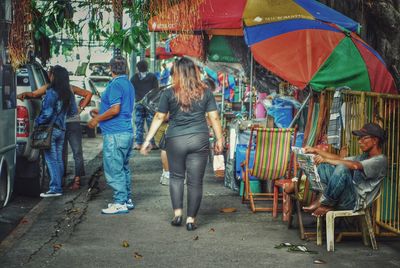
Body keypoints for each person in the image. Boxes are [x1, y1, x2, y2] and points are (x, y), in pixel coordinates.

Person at [140, 57, 224, 231]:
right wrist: (220, 138)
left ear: (176, 73)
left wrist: (148, 140)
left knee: (177, 177)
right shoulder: (206, 92)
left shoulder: (169, 93)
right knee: (195, 182)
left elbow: (159, 117)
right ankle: (191, 219)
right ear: (195, 72)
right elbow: (214, 117)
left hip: (176, 140)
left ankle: (178, 214)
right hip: (199, 139)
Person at [17, 71, 93, 191]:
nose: (49, 76)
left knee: (70, 153)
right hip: (63, 124)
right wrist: (24, 94)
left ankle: (73, 181)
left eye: (51, 74)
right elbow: (33, 94)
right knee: (64, 154)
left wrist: (80, 108)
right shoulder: (53, 88)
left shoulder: (62, 88)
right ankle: (60, 182)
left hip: (67, 123)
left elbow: (88, 94)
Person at [302, 122, 387, 216]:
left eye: (363, 138)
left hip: (354, 202)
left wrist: (326, 159)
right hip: (345, 196)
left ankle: (325, 203)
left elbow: (354, 165)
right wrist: (316, 151)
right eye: (359, 138)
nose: (359, 141)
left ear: (375, 140)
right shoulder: (364, 156)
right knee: (322, 167)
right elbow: (340, 159)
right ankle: (323, 197)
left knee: (342, 168)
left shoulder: (380, 160)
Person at [88, 56, 135, 215]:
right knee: (123, 167)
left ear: (110, 68)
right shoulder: (128, 83)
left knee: (114, 169)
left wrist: (97, 119)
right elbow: (119, 108)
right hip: (126, 131)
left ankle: (120, 202)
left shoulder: (115, 84)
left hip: (115, 133)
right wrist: (100, 112)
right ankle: (127, 199)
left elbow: (115, 110)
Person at [32, 65, 73, 197]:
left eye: (50, 74)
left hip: (50, 129)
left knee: (51, 159)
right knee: (58, 159)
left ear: (54, 76)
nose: (49, 76)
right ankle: (59, 185)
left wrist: (37, 122)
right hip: (61, 129)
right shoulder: (68, 92)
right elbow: (72, 112)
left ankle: (55, 188)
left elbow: (48, 113)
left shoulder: (51, 92)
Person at [130, 60, 159, 150]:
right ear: (147, 67)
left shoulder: (134, 78)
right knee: (151, 124)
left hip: (139, 103)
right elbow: (156, 90)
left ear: (137, 68)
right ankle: (152, 144)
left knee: (139, 124)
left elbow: (131, 90)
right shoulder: (152, 77)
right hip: (150, 104)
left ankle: (139, 144)